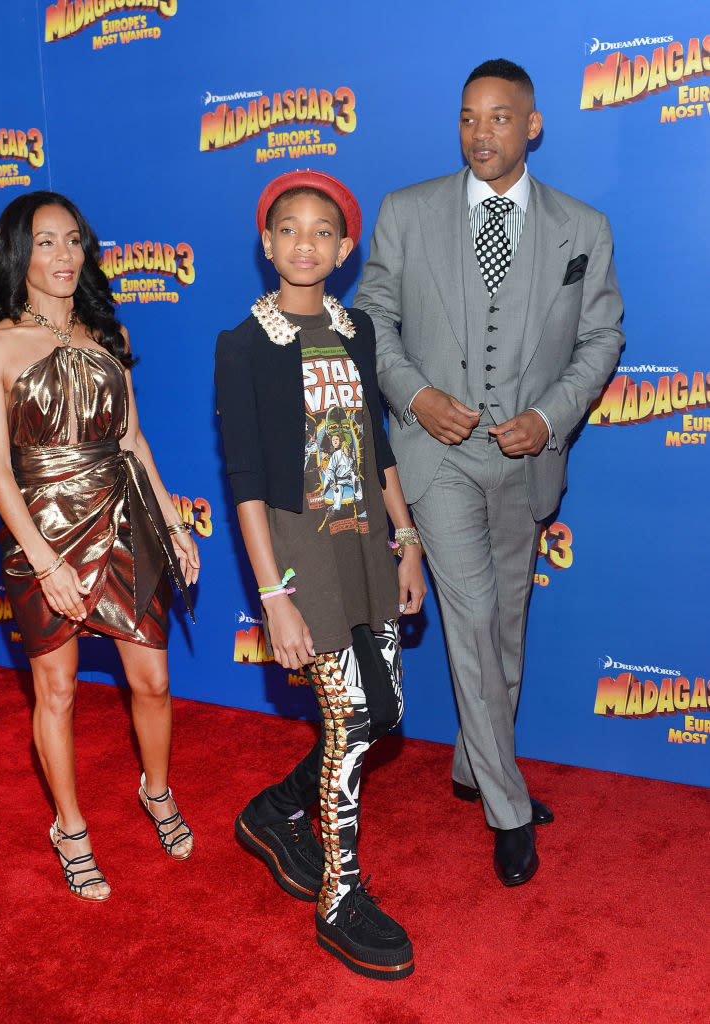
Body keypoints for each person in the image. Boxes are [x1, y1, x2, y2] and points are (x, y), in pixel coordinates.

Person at [354, 59, 624, 887]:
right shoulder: (406, 212)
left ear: (532, 126)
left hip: (527, 457)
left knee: (506, 627)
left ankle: (477, 766)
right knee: (471, 617)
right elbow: (371, 321)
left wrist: (547, 418)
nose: (482, 134)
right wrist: (420, 395)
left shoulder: (584, 227)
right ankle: (507, 808)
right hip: (435, 459)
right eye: (469, 117)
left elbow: (602, 338)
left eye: (500, 119)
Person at [215, 170, 426, 979]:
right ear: (268, 244)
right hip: (300, 551)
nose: (306, 243)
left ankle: (274, 810)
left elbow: (375, 446)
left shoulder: (358, 330)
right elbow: (247, 481)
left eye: (322, 232)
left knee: (385, 712)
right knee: (348, 723)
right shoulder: (243, 344)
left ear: (344, 251)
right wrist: (275, 599)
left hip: (364, 540)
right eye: (289, 228)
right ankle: (340, 898)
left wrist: (405, 538)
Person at [0, 191, 200, 902]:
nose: (64, 255)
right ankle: (70, 827)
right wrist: (45, 560)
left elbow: (131, 438)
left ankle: (155, 791)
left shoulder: (106, 335)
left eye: (73, 241)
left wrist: (173, 521)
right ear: (18, 254)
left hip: (123, 520)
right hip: (42, 535)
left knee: (153, 680)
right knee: (58, 689)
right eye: (46, 242)